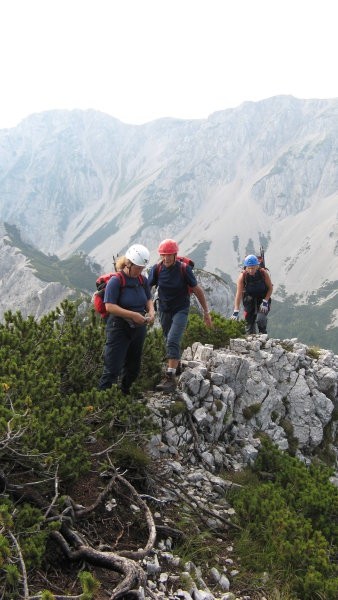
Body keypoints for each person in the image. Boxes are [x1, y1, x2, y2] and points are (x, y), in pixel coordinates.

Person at [148, 239, 212, 393]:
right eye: (163, 255)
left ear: (175, 254)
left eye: (169, 255)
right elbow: (146, 289)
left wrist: (206, 312)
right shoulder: (156, 269)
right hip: (164, 309)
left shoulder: (183, 269)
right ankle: (176, 367)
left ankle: (170, 379)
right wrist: (147, 308)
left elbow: (197, 290)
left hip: (181, 309)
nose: (166, 258)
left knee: (172, 339)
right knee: (167, 339)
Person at [99, 244, 155, 394]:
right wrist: (133, 315)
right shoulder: (116, 281)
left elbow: (148, 298)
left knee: (133, 367)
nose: (140, 271)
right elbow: (109, 306)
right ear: (128, 263)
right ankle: (100, 404)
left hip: (138, 328)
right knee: (113, 368)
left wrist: (151, 311)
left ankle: (124, 394)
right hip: (119, 328)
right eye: (138, 267)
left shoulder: (142, 280)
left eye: (142, 267)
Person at [230, 254, 273, 334]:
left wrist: (265, 301)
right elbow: (238, 294)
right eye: (248, 268)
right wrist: (236, 310)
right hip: (249, 300)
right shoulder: (243, 276)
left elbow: (270, 288)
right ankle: (251, 341)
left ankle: (263, 339)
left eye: (253, 268)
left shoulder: (263, 273)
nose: (251, 270)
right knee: (249, 324)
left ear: (257, 266)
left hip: (263, 298)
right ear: (245, 267)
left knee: (261, 320)